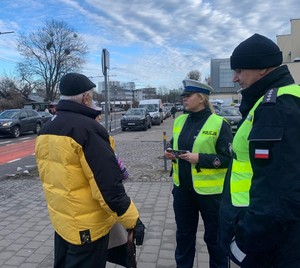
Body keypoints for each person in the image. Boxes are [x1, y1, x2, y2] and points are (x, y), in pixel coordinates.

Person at [35, 72, 145, 268]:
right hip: (87, 228)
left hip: (63, 222)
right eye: (91, 96)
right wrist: (133, 220)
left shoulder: (46, 128)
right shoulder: (87, 129)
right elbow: (108, 187)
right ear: (85, 97)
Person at [218, 33, 300, 268]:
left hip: (269, 243)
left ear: (263, 68)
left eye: (240, 70)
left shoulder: (275, 108)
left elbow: (277, 193)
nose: (235, 78)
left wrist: (244, 243)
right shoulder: (281, 98)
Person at [164, 79, 233, 268]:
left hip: (211, 195)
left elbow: (227, 159)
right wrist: (170, 152)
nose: (184, 99)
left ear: (201, 98)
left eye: (188, 96)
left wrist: (200, 158)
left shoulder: (219, 123)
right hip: (182, 191)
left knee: (215, 239)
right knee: (184, 237)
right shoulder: (179, 120)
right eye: (183, 96)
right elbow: (174, 143)